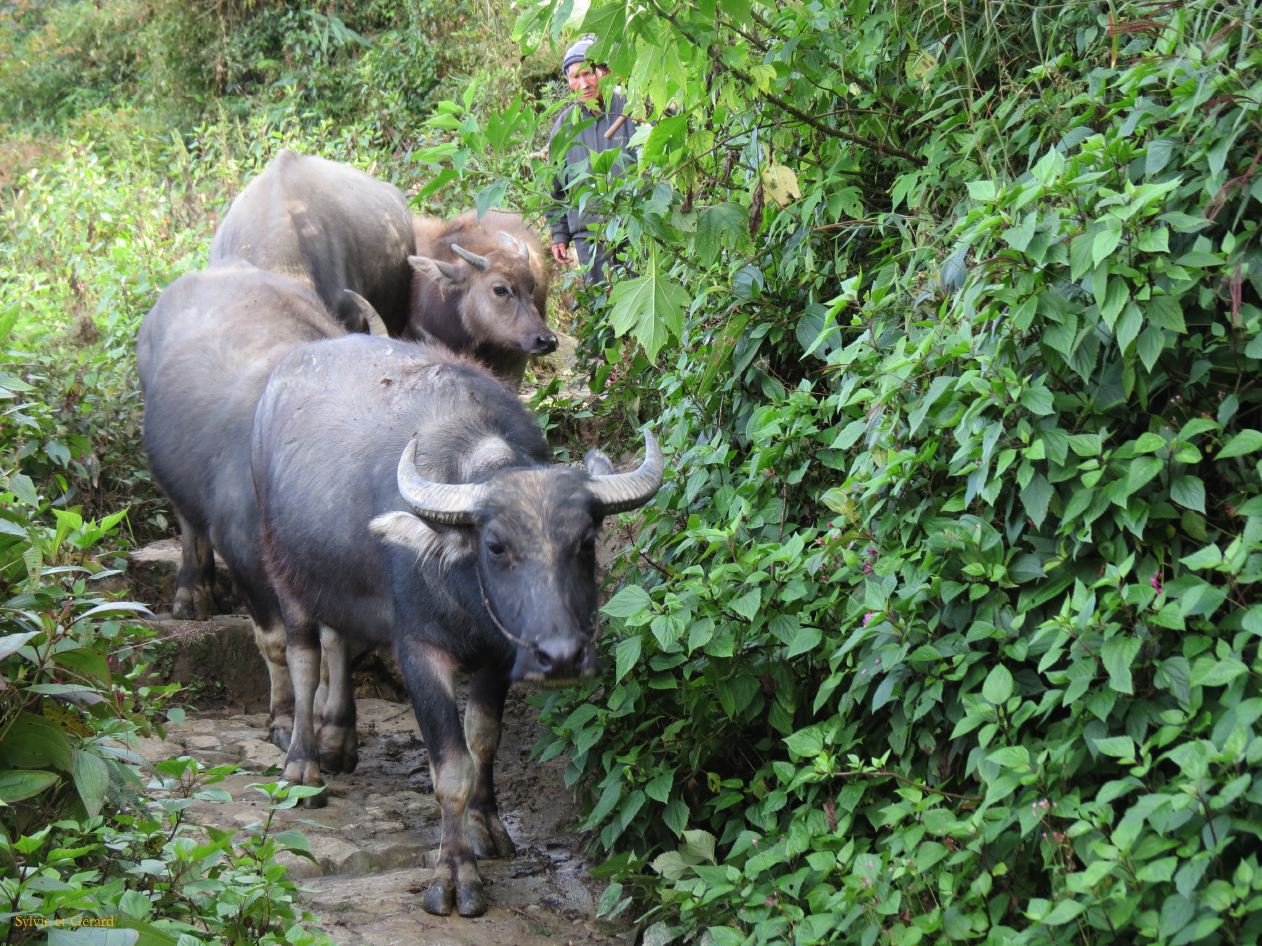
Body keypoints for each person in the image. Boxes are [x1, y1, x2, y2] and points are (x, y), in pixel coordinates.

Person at [547, 35, 637, 287]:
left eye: (588, 73)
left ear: (604, 72)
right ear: (568, 82)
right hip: (589, 238)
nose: (584, 83)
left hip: (633, 227)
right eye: (575, 77)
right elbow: (555, 187)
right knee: (603, 309)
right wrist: (559, 235)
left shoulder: (630, 108)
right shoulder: (565, 126)